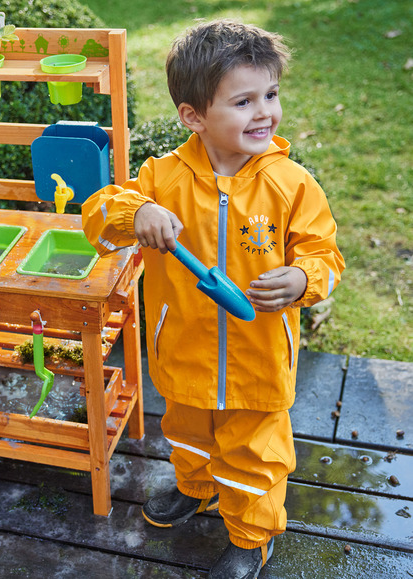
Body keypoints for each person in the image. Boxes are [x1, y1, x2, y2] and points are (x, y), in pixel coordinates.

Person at [82, 19, 345, 578]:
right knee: (188, 431)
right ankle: (196, 487)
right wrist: (137, 212)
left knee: (255, 454)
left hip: (257, 361)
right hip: (184, 352)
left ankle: (251, 536)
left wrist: (302, 279)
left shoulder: (291, 184)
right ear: (193, 117)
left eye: (270, 95)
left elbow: (325, 254)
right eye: (244, 100)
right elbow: (99, 219)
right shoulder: (163, 178)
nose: (264, 113)